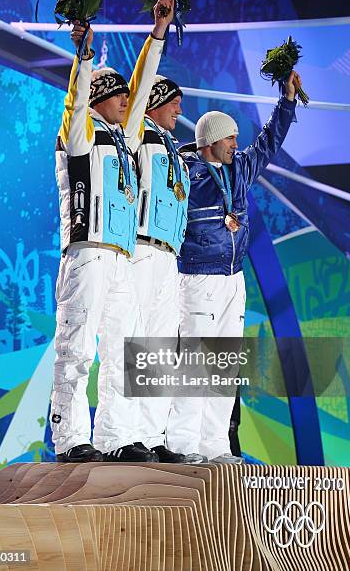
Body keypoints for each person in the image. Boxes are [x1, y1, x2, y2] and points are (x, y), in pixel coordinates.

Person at [50, 0, 175, 463]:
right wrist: (83, 56)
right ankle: (70, 439)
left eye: (128, 94)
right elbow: (75, 101)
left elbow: (143, 89)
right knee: (78, 347)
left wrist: (157, 33)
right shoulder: (79, 135)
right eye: (118, 93)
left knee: (124, 355)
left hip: (122, 259)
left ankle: (114, 436)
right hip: (87, 255)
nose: (129, 99)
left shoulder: (126, 139)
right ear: (98, 97)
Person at [166, 71, 301, 462]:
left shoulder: (240, 170)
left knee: (224, 365)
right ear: (210, 141)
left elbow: (269, 142)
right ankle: (184, 445)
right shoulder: (185, 174)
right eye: (229, 138)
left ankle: (214, 445)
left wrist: (287, 101)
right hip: (196, 278)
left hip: (233, 279)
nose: (235, 144)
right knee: (195, 362)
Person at [128, 75, 204, 463]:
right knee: (138, 344)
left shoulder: (172, 146)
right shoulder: (139, 132)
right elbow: (138, 90)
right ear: (155, 101)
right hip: (141, 248)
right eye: (174, 101)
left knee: (161, 350)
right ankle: (126, 436)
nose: (180, 109)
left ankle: (152, 436)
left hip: (169, 256)